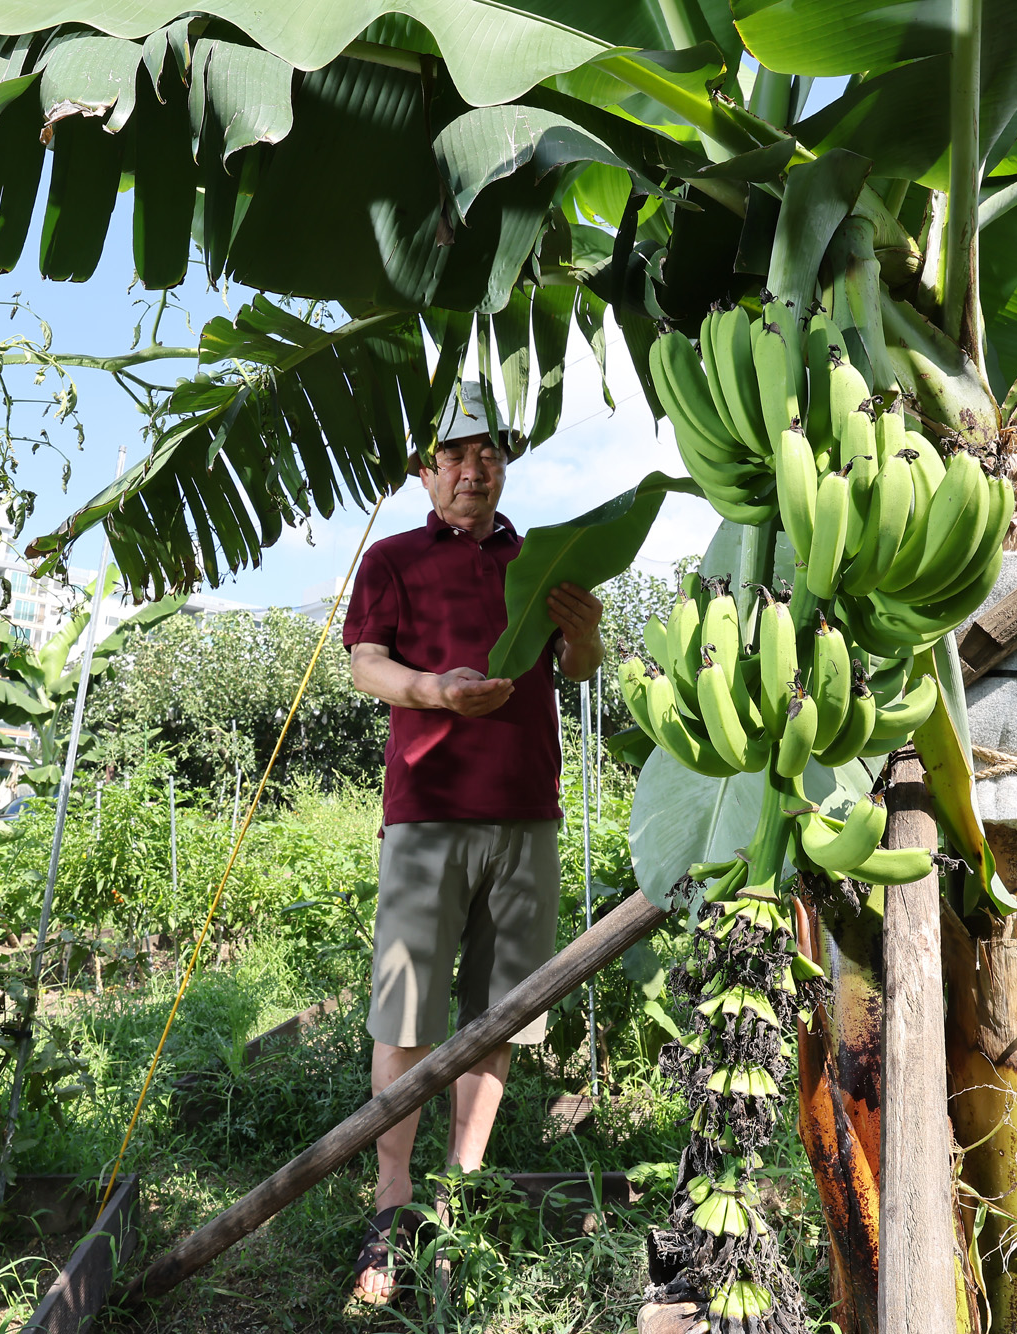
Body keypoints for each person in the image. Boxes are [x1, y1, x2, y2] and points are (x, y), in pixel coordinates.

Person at [340, 381, 604, 1304]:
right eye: (454, 454)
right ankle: (392, 1203)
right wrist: (435, 692)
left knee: (499, 1013)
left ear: (505, 465)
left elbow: (574, 672)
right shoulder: (395, 558)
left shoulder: (542, 560)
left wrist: (589, 635)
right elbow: (368, 663)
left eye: (488, 452)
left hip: (528, 814)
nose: (472, 468)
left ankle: (457, 1198)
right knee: (406, 1014)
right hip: (428, 812)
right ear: (426, 471)